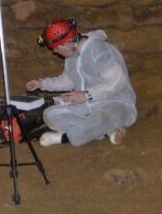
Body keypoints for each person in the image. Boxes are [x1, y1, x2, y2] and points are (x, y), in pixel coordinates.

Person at [26, 18, 137, 147]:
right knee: (51, 115)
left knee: (105, 115)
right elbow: (68, 80)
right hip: (89, 106)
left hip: (117, 103)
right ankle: (107, 130)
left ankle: (63, 137)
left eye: (55, 48)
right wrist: (42, 84)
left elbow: (117, 81)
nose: (54, 51)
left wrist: (86, 95)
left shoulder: (100, 49)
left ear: (67, 43)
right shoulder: (72, 57)